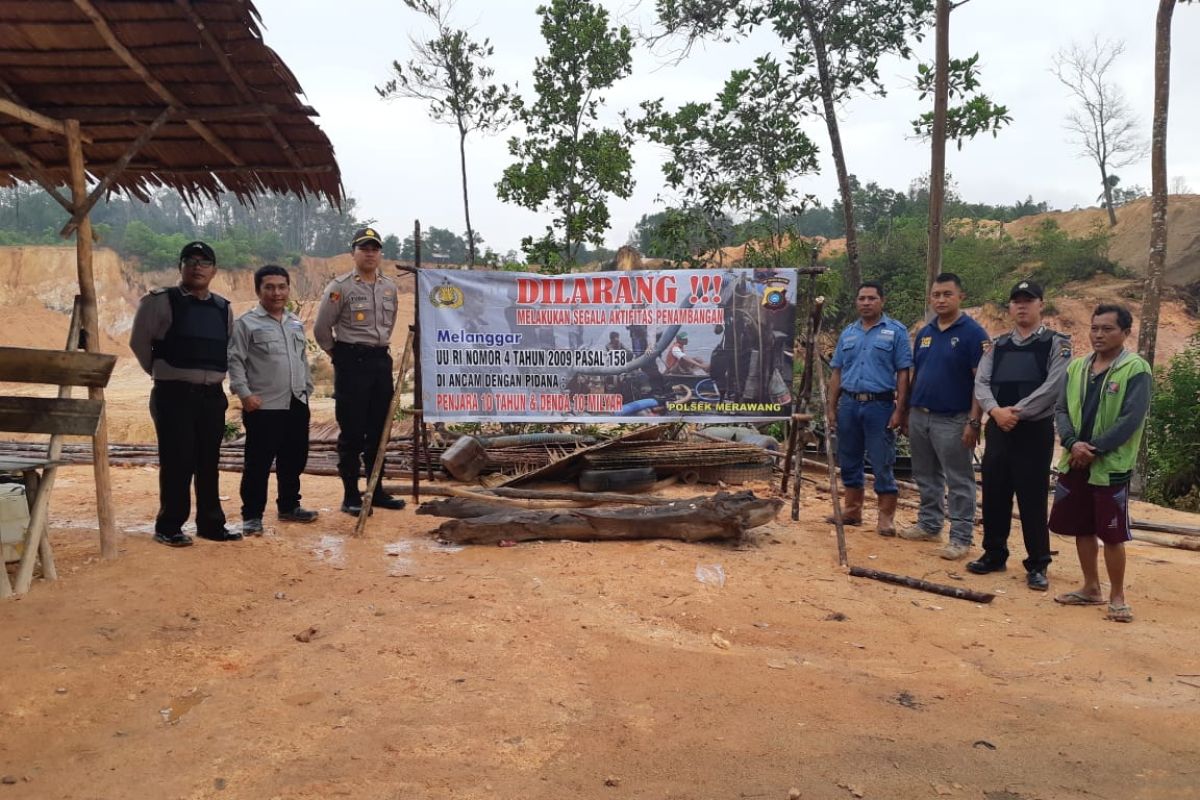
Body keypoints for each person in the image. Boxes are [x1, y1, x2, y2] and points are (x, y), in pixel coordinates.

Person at [130, 241, 240, 546]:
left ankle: (211, 524)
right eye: (190, 261)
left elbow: (227, 348)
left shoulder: (223, 307)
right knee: (177, 461)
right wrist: (163, 373)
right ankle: (169, 525)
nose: (197, 267)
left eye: (204, 262)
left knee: (208, 461)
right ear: (180, 267)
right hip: (173, 395)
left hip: (211, 396)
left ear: (214, 270)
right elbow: (139, 343)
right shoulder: (158, 301)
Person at [1050, 305, 1151, 623]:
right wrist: (1071, 443)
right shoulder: (1077, 367)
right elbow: (1062, 409)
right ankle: (1090, 587)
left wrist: (1093, 448)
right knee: (1082, 527)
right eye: (1095, 328)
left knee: (1111, 533)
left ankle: (1117, 596)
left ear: (1125, 332)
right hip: (1075, 460)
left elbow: (1130, 419)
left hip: (1110, 465)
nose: (1099, 334)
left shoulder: (1136, 370)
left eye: (1107, 329)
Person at [971, 279, 1071, 590]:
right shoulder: (996, 346)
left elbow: (1054, 385)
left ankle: (1038, 563)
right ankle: (994, 553)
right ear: (1010, 307)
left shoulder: (1057, 344)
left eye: (1029, 300)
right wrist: (996, 412)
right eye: (1016, 301)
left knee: (1032, 497)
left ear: (1041, 304)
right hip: (999, 428)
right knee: (995, 493)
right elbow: (981, 384)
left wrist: (1016, 412)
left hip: (1033, 431)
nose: (1022, 306)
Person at [314, 227, 407, 516]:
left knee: (380, 432)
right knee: (352, 432)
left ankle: (375, 491)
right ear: (353, 252)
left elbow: (388, 326)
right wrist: (339, 355)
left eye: (374, 248)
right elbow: (320, 329)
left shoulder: (389, 287)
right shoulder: (340, 287)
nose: (370, 253)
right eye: (364, 248)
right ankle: (351, 495)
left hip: (380, 362)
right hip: (351, 363)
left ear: (380, 253)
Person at [900, 273, 989, 560]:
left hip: (953, 419)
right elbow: (917, 375)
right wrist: (905, 411)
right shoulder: (926, 333)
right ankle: (929, 524)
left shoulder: (974, 334)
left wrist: (974, 422)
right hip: (920, 415)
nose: (940, 299)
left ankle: (961, 537)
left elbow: (981, 382)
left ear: (960, 297)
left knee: (960, 480)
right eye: (936, 294)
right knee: (926, 475)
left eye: (947, 294)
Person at [228, 265, 319, 535]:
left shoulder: (295, 322)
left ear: (288, 289)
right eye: (269, 287)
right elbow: (235, 360)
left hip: (296, 402)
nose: (276, 292)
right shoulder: (246, 324)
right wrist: (244, 394)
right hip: (264, 405)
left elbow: (301, 358)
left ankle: (289, 507)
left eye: (282, 287)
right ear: (258, 291)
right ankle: (252, 516)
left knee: (294, 459)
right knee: (258, 463)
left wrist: (307, 388)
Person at [826, 281, 913, 536]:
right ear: (856, 302)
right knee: (849, 457)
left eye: (871, 298)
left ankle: (885, 517)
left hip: (880, 405)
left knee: (881, 460)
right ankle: (852, 510)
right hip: (849, 404)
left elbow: (903, 373)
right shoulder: (848, 333)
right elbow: (837, 372)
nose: (866, 303)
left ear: (882, 301)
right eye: (862, 298)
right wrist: (832, 407)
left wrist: (900, 409)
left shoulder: (895, 331)